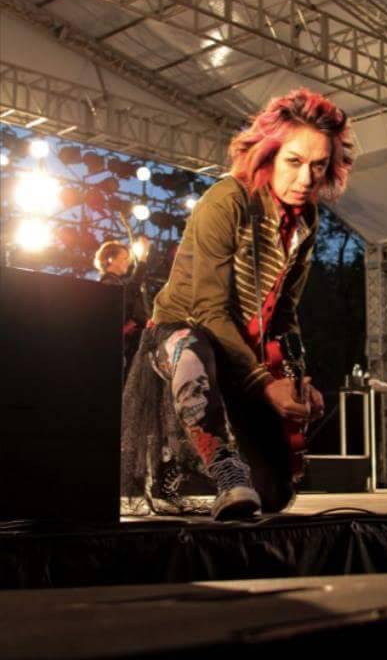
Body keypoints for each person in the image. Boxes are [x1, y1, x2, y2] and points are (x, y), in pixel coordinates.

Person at [120, 88, 354, 520]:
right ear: (268, 156)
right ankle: (224, 470)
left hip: (240, 351)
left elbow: (284, 313)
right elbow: (208, 312)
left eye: (318, 165)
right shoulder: (227, 199)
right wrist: (264, 382)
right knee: (192, 348)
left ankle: (234, 474)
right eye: (294, 161)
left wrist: (296, 379)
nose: (306, 178)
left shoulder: (308, 218)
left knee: (273, 493)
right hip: (182, 331)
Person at [94, 236, 151, 377]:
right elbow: (131, 290)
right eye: (124, 258)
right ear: (110, 259)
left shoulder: (118, 283)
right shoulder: (108, 283)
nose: (128, 262)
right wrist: (142, 259)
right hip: (125, 346)